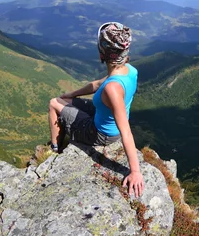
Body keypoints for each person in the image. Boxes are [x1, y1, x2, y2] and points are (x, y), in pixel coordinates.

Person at [48, 22, 145, 197]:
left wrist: (135, 171)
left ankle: (54, 148)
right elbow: (97, 84)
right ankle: (59, 138)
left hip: (100, 133)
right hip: (102, 117)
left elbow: (126, 131)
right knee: (63, 100)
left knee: (54, 103)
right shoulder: (130, 70)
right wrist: (71, 94)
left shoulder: (113, 89)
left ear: (102, 53)